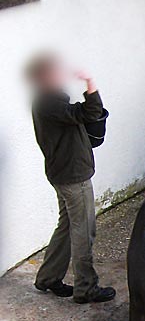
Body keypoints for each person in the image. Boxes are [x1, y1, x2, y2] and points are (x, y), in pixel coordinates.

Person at [27, 53, 116, 304]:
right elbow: (90, 112)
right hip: (73, 177)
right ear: (44, 78)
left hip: (63, 174)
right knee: (83, 231)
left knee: (66, 227)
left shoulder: (49, 101)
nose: (60, 75)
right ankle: (86, 288)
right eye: (55, 72)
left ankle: (48, 278)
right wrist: (90, 82)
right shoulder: (50, 104)